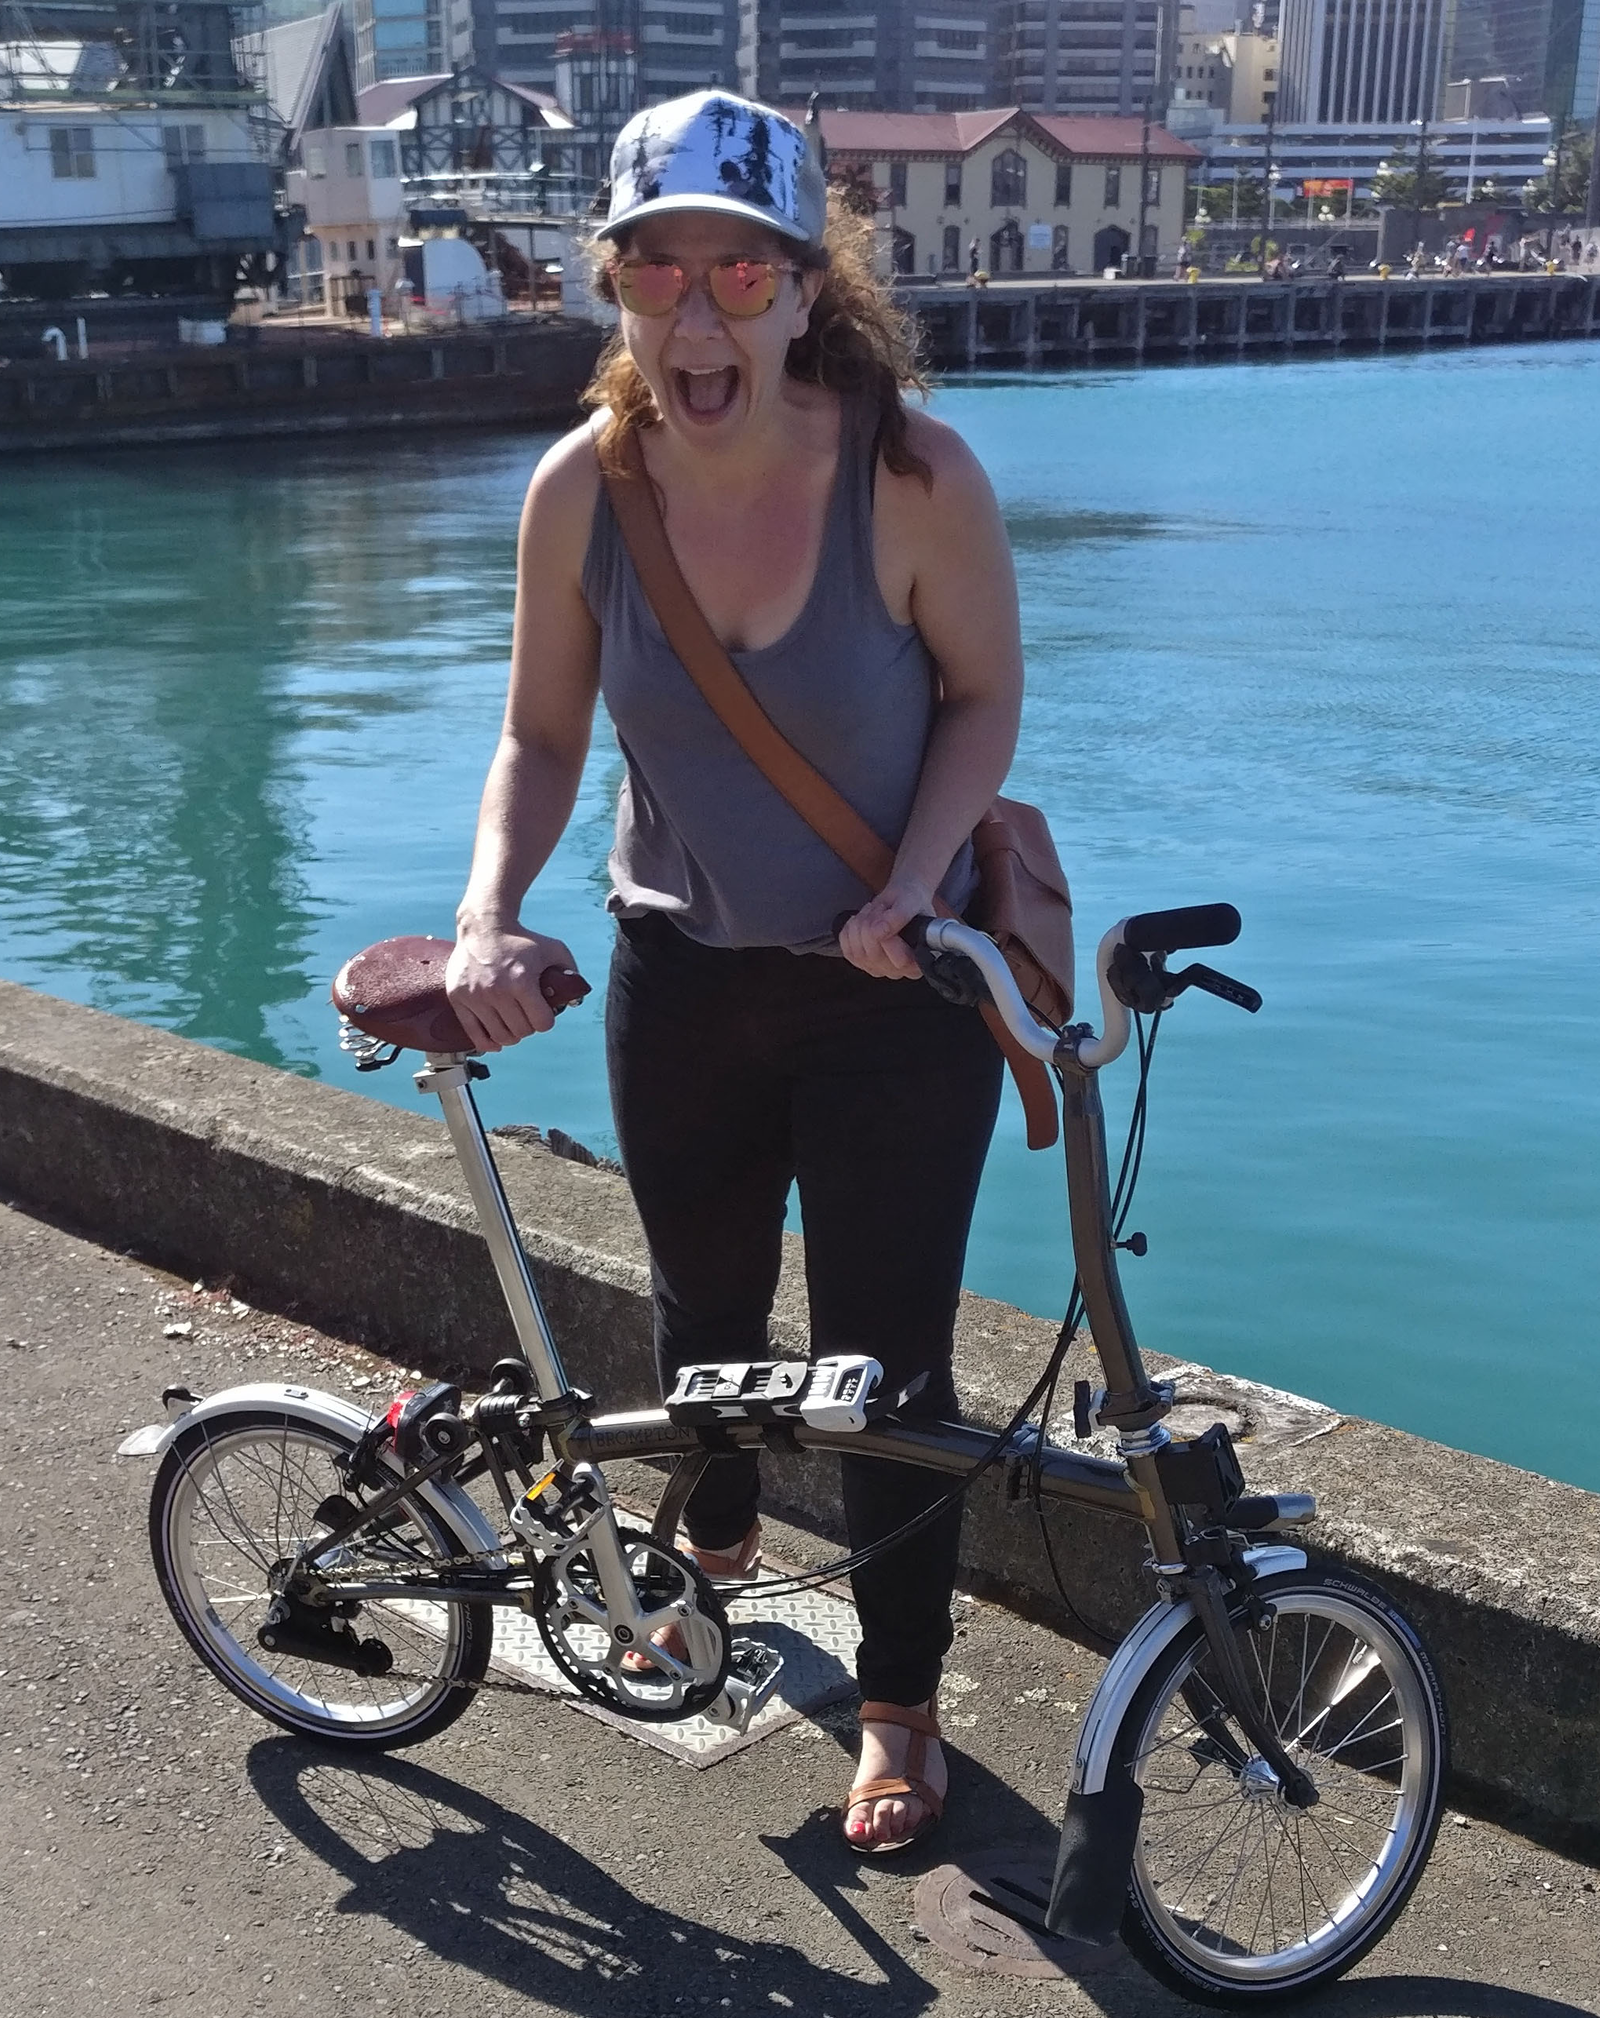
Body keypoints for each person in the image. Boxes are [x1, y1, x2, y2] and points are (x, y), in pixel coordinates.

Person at [444, 88, 1024, 1857]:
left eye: (739, 272)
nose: (697, 314)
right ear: (610, 280)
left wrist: (917, 885)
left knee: (888, 1372)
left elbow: (986, 702)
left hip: (894, 999)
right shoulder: (583, 493)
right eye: (657, 268)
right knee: (702, 1326)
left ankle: (899, 1705)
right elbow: (540, 735)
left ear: (801, 283)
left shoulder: (913, 475)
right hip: (678, 976)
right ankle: (710, 1557)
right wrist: (488, 912)